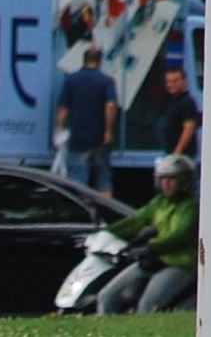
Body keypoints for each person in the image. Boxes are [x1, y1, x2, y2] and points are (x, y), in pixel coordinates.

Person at [97, 154, 199, 315]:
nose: (166, 184)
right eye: (163, 179)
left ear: (184, 181)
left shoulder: (190, 207)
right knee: (107, 296)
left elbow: (180, 236)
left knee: (147, 306)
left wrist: (150, 248)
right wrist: (106, 233)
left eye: (172, 179)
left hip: (179, 265)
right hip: (153, 260)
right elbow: (136, 221)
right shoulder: (159, 202)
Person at [54, 47, 120, 195]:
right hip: (100, 139)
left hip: (78, 139)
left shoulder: (71, 80)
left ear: (83, 61)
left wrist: (60, 130)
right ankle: (106, 213)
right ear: (100, 62)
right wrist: (108, 131)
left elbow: (63, 111)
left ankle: (82, 215)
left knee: (77, 182)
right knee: (104, 180)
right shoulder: (107, 81)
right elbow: (111, 105)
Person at [163, 66, 201, 159]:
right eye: (168, 82)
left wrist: (177, 153)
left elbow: (189, 129)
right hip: (172, 155)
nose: (171, 85)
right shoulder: (173, 102)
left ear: (184, 81)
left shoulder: (187, 102)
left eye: (175, 81)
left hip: (182, 157)